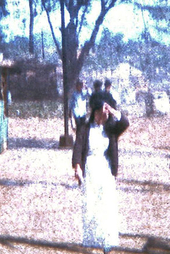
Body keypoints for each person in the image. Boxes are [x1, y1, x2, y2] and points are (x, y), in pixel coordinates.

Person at [72, 90, 129, 254]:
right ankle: (91, 242)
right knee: (91, 205)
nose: (105, 114)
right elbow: (78, 148)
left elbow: (125, 122)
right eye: (102, 110)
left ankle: (107, 241)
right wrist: (77, 166)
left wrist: (111, 110)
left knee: (106, 204)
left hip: (105, 167)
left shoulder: (111, 129)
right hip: (90, 167)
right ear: (95, 111)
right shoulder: (85, 127)